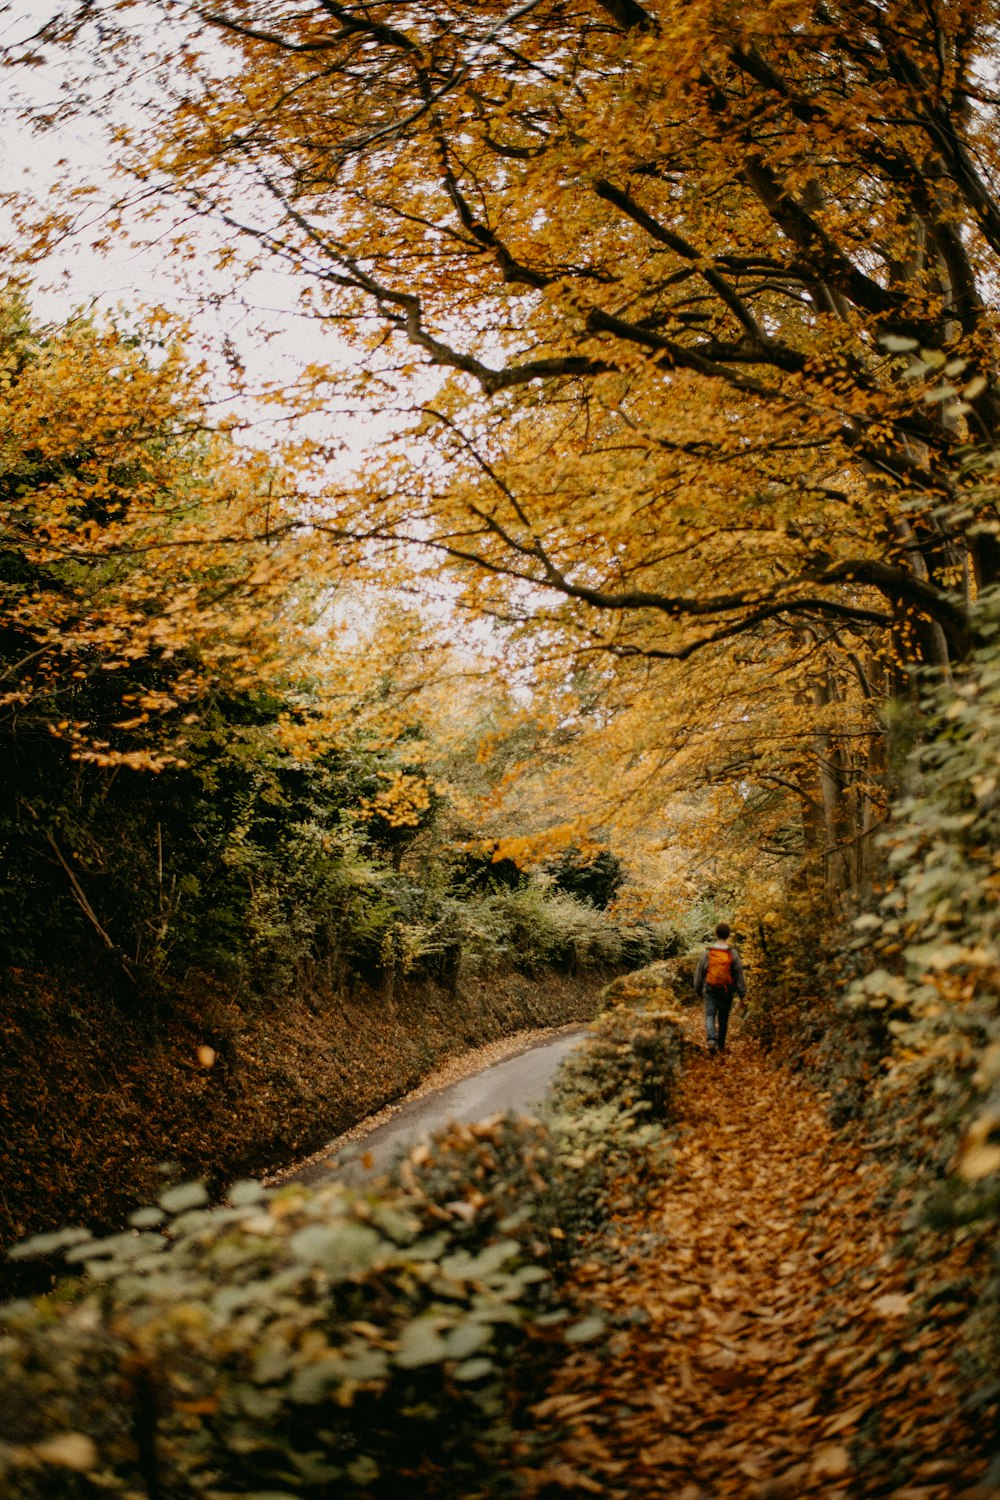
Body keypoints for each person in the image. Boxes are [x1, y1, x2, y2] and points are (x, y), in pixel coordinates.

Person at [693, 921, 746, 1055]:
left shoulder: (708, 953)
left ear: (716, 934)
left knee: (710, 1015)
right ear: (728, 935)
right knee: (723, 1018)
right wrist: (742, 993)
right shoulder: (732, 953)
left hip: (710, 989)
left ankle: (711, 1039)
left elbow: (700, 972)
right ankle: (721, 1045)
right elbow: (739, 973)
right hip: (726, 990)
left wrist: (698, 989)